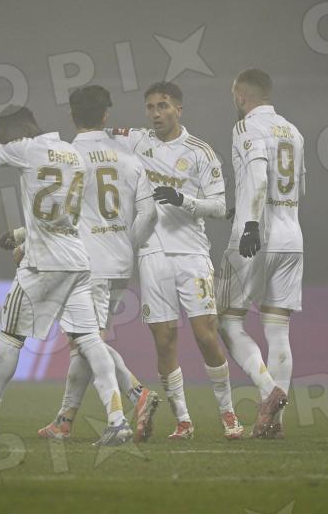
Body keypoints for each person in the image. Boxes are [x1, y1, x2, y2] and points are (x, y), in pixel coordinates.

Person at [0, 106, 132, 446]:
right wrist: (23, 235)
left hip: (43, 264)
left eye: (3, 137)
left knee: (8, 338)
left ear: (14, 131)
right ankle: (118, 421)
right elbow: (66, 214)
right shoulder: (73, 154)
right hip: (78, 260)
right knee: (90, 340)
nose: (3, 143)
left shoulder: (26, 149)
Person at [0, 85, 161, 442]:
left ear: (72, 116)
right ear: (106, 115)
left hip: (85, 263)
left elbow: (55, 214)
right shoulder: (129, 158)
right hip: (120, 263)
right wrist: (126, 243)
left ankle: (137, 393)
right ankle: (65, 420)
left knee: (87, 341)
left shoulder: (67, 156)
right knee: (83, 342)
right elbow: (150, 213)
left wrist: (27, 244)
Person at [109, 82, 243, 440]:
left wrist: (182, 199)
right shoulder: (137, 141)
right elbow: (97, 136)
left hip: (192, 254)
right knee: (164, 338)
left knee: (206, 335)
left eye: (163, 106)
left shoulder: (200, 152)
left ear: (178, 109)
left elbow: (220, 206)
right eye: (150, 107)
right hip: (151, 253)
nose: (156, 113)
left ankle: (228, 414)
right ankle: (183, 420)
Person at [216, 69, 305, 439]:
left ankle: (269, 392)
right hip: (292, 235)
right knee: (278, 330)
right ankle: (275, 424)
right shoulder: (294, 132)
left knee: (227, 320)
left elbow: (256, 175)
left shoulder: (246, 127)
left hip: (254, 237)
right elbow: (299, 186)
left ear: (241, 96)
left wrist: (250, 222)